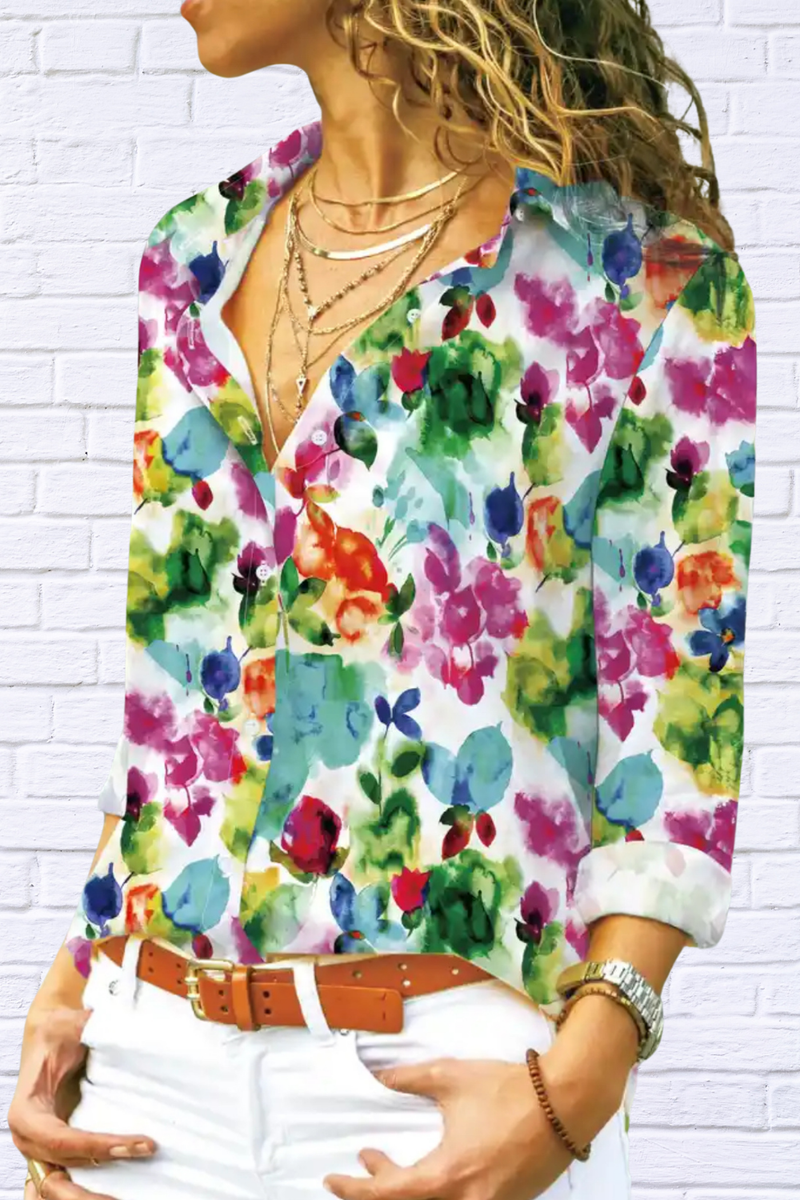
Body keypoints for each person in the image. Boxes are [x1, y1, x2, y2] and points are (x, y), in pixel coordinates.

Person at [10, 1, 757, 1198]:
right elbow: (175, 701)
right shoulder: (190, 255)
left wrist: (579, 1082)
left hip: (440, 1080)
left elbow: (676, 720)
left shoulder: (643, 278)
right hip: (147, 1072)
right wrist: (72, 977)